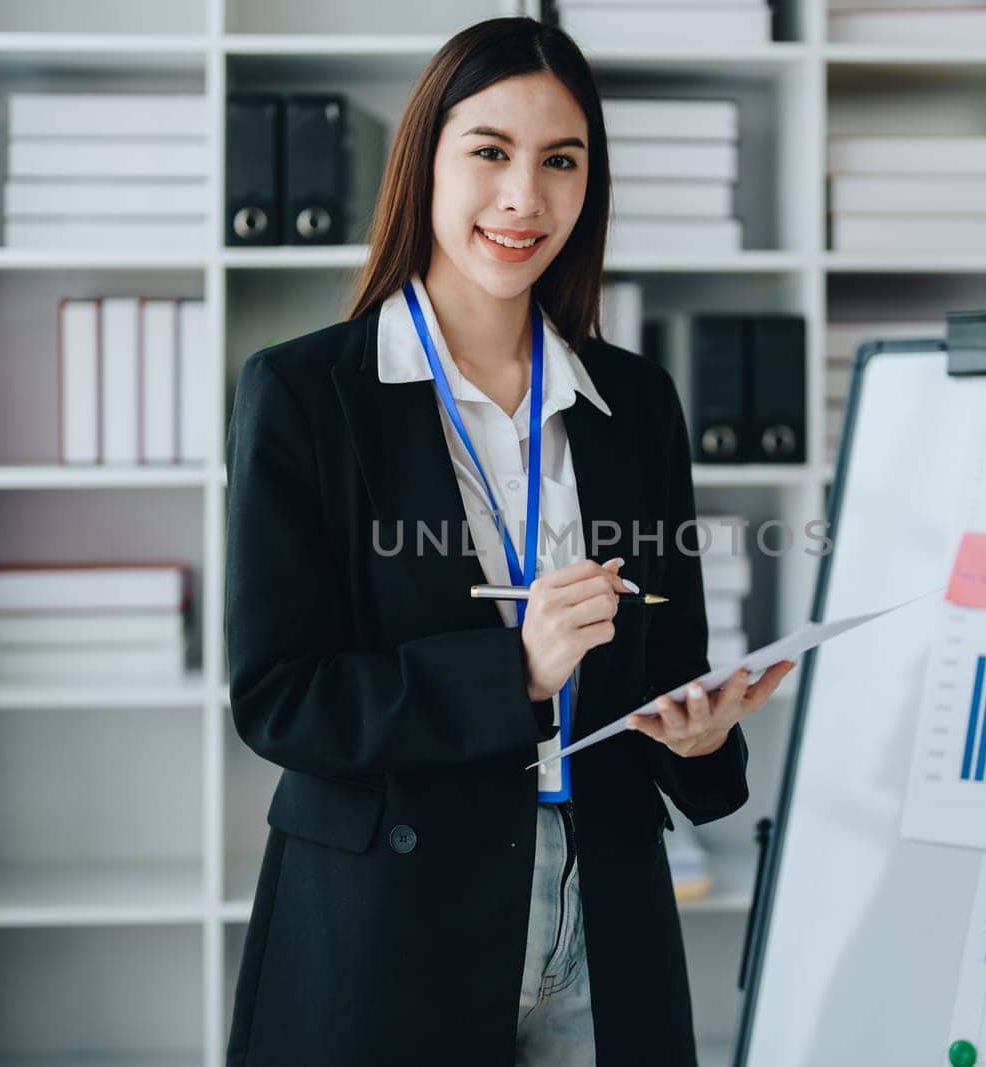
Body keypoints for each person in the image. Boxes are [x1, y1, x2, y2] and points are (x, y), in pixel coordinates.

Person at [222, 16, 797, 1066]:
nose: (524, 196)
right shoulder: (305, 393)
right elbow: (278, 695)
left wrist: (704, 739)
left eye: (560, 161)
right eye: (488, 151)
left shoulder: (636, 401)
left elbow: (666, 664)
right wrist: (512, 670)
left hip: (605, 901)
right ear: (425, 162)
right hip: (392, 917)